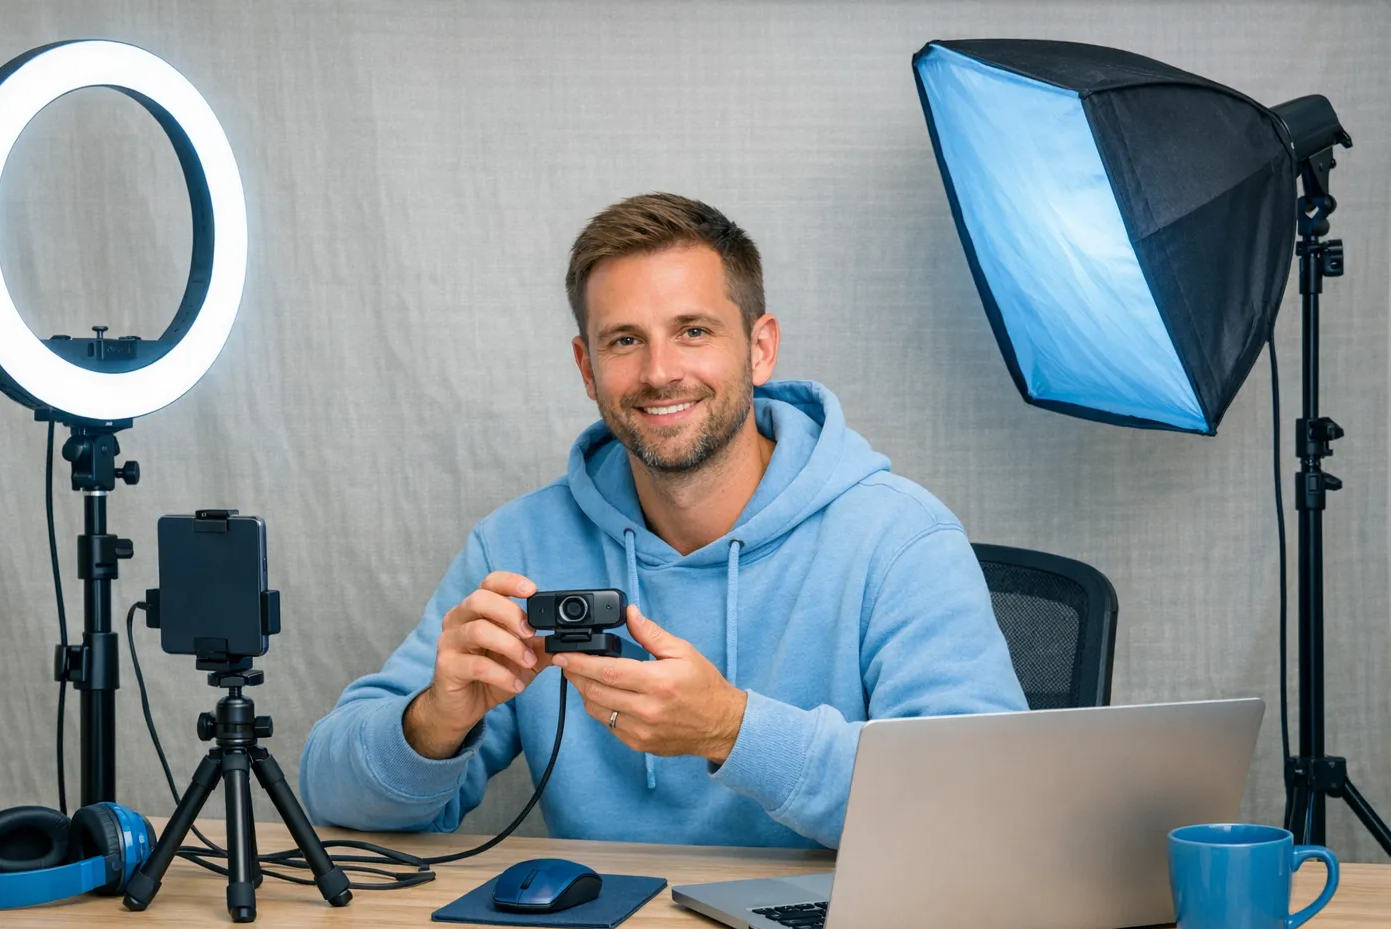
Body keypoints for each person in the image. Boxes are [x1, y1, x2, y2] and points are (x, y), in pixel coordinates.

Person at [299, 193, 1026, 849]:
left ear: (760, 347)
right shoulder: (520, 543)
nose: (658, 373)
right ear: (587, 369)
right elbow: (328, 793)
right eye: (624, 341)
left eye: (694, 331)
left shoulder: (899, 539)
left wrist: (731, 730)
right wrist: (432, 722)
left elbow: (985, 808)